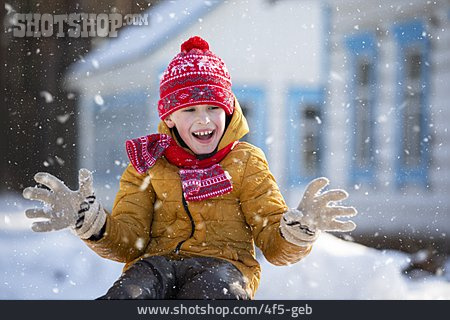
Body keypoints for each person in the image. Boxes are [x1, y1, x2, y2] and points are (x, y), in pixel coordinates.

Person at [22, 36, 357, 300]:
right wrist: (93, 225)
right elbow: (130, 241)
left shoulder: (246, 162)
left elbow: (272, 243)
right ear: (169, 116)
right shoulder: (148, 163)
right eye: (190, 109)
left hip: (224, 268)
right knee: (129, 293)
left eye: (214, 106)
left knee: (213, 296)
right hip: (155, 266)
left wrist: (297, 233)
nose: (204, 119)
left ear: (228, 111)